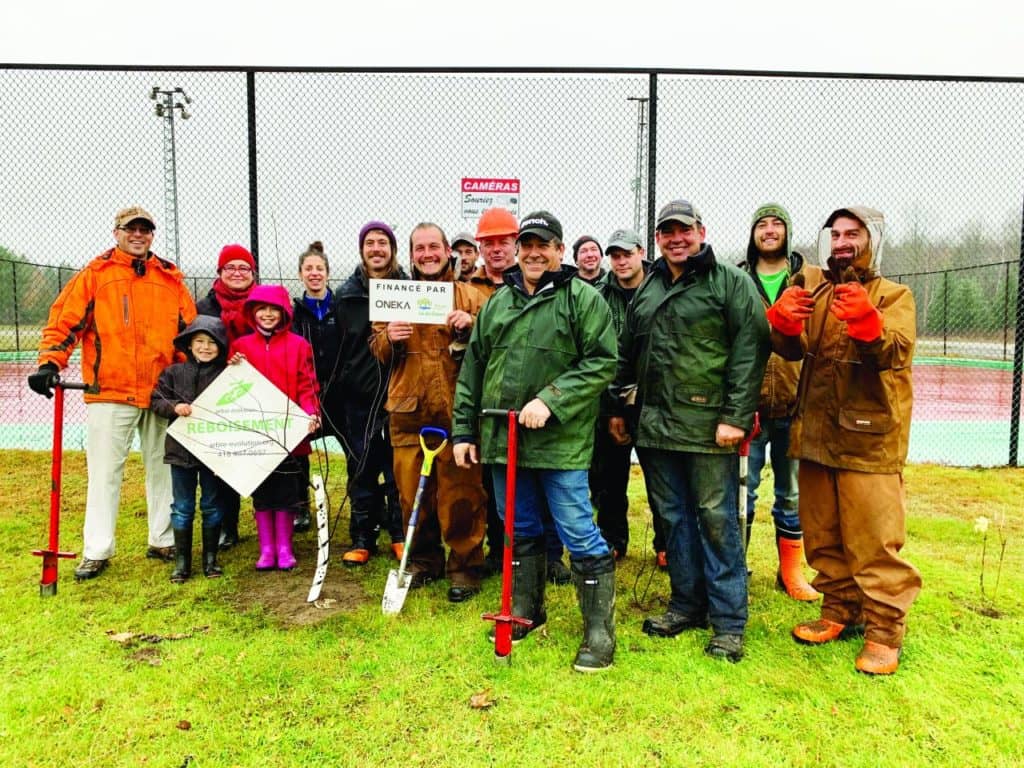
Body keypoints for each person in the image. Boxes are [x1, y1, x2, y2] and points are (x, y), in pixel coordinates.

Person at [453, 210, 619, 672]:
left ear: (559, 251)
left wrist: (551, 400)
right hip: (502, 441)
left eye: (543, 244)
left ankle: (599, 632)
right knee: (518, 528)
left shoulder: (582, 300)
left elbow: (603, 362)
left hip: (559, 442)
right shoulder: (498, 304)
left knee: (578, 529)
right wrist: (464, 431)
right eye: (527, 244)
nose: (533, 252)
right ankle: (526, 611)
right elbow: (473, 370)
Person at [611, 199, 768, 663]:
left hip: (708, 429)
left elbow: (750, 350)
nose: (676, 238)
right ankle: (685, 605)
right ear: (657, 239)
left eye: (684, 230)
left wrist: (735, 417)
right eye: (666, 232)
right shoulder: (650, 285)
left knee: (717, 522)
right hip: (655, 429)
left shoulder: (730, 283)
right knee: (674, 520)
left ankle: (728, 623)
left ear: (701, 231)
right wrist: (618, 407)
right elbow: (628, 350)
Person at [766, 206, 921, 675]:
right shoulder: (814, 287)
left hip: (870, 440)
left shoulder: (896, 295)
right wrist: (783, 327)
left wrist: (870, 327)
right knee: (823, 533)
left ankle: (884, 631)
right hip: (815, 432)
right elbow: (792, 349)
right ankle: (839, 609)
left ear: (872, 239)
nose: (841, 242)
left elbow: (896, 350)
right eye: (835, 234)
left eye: (852, 233)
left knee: (873, 539)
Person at [28, 206, 197, 580]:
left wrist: (190, 379)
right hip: (109, 392)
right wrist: (50, 363)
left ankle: (163, 539)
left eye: (145, 230)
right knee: (104, 472)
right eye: (131, 229)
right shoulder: (95, 275)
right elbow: (65, 321)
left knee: (164, 468)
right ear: (117, 232)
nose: (138, 235)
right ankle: (97, 549)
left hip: (160, 393)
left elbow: (189, 335)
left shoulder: (170, 280)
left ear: (152, 235)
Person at [370, 223, 487, 602]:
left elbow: (493, 345)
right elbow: (376, 349)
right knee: (410, 494)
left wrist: (471, 328)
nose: (427, 254)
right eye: (419, 248)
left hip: (458, 411)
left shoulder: (471, 296)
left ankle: (465, 567)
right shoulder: (394, 296)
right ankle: (423, 561)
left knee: (461, 494)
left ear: (447, 249)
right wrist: (390, 338)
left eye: (433, 246)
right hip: (408, 411)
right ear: (411, 254)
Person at [468, 207, 571, 585]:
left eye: (503, 241)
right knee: (509, 500)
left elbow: (595, 360)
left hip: (548, 416)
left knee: (553, 496)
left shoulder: (572, 296)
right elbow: (474, 364)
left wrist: (552, 399)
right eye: (488, 242)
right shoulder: (477, 290)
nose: (497, 249)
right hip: (500, 414)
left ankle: (551, 557)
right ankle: (512, 562)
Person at [736, 204, 820, 602]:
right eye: (762, 225)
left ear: (788, 231)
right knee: (742, 490)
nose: (769, 231)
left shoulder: (808, 279)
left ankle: (791, 571)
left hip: (794, 405)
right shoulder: (737, 279)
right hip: (749, 408)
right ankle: (737, 567)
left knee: (791, 493)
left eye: (776, 225)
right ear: (753, 234)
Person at [228, 284, 320, 571]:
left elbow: (308, 385)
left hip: (289, 435)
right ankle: (266, 548)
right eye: (262, 309)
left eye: (274, 310)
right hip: (257, 436)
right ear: (252, 312)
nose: (268, 315)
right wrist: (233, 366)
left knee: (286, 493)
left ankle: (284, 546)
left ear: (284, 314)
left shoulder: (299, 346)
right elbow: (233, 388)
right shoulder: (241, 347)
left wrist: (311, 413)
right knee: (263, 493)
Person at [333, 221, 406, 566]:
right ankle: (362, 537)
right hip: (358, 398)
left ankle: (399, 534)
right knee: (361, 469)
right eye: (370, 243)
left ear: (392, 249)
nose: (376, 249)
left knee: (397, 471)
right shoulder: (346, 295)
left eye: (383, 243)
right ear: (362, 250)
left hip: (398, 394)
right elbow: (338, 351)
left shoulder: (407, 289)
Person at [592, 228, 665, 565]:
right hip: (610, 396)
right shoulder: (598, 294)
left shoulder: (661, 288)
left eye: (626, 254)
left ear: (640, 252)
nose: (621, 261)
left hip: (654, 398)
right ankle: (612, 539)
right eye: (615, 255)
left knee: (661, 478)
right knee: (609, 477)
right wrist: (611, 408)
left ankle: (665, 544)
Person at [150, 316, 230, 582]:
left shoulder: (226, 375)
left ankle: (211, 561)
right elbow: (157, 400)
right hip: (180, 453)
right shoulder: (173, 373)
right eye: (199, 342)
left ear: (220, 346)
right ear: (189, 344)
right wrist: (174, 407)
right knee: (182, 507)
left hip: (212, 454)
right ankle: (182, 564)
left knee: (211, 504)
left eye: (211, 343)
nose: (205, 348)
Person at [195, 243, 259, 550]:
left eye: (243, 267)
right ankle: (226, 524)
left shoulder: (264, 303)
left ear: (252, 273)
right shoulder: (205, 307)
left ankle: (277, 520)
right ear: (219, 272)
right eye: (230, 267)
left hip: (258, 388)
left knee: (264, 456)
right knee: (223, 462)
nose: (237, 273)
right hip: (218, 389)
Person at [291, 241, 343, 533]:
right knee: (299, 452)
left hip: (340, 394)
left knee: (359, 450)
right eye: (308, 269)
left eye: (319, 268)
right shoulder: (293, 313)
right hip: (306, 394)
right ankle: (299, 508)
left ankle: (368, 507)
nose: (314, 273)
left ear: (327, 273)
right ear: (300, 274)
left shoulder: (341, 308)